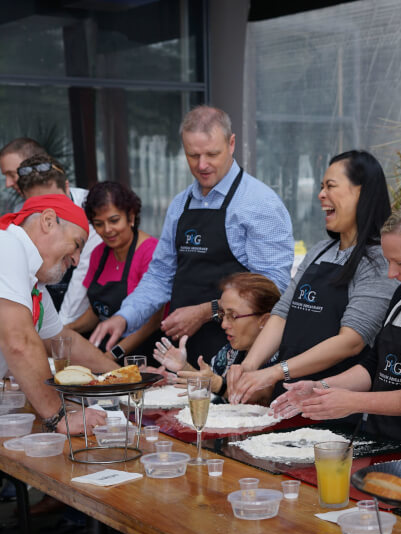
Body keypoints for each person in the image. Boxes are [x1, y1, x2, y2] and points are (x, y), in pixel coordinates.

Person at [89, 105, 294, 365]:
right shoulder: (180, 204)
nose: (202, 165)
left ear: (231, 144)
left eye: (212, 154)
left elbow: (274, 287)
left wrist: (206, 311)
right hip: (181, 352)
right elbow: (160, 275)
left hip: (236, 354)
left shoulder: (259, 203)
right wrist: (124, 317)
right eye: (192, 155)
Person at [271, 204, 401, 443]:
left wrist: (351, 402)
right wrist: (320, 387)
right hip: (381, 437)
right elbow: (373, 365)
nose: (391, 273)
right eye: (388, 261)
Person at [228, 150, 399, 409]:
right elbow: (282, 314)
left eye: (330, 186)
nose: (321, 195)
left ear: (362, 193)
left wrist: (275, 371)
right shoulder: (319, 251)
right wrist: (249, 366)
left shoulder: (378, 261)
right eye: (321, 187)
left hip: (332, 408)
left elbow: (350, 342)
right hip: (285, 401)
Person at [0, 194, 115, 433]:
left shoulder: (34, 284)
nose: (75, 259)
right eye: (77, 244)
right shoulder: (7, 245)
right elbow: (19, 342)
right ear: (49, 221)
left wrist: (126, 376)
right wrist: (59, 417)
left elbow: (63, 340)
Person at [64, 181, 162, 364]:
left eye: (114, 220)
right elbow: (97, 312)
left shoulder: (150, 252)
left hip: (142, 355)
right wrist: (66, 330)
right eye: (99, 224)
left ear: (131, 216)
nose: (107, 230)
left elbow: (152, 322)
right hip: (104, 352)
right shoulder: (98, 253)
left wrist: (111, 356)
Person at [153, 272, 280, 401]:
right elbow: (214, 387)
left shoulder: (285, 357)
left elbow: (263, 398)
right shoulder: (229, 353)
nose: (224, 324)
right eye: (222, 315)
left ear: (264, 320)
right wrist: (184, 368)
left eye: (233, 316)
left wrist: (216, 384)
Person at [10, 147, 103, 323]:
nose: (47, 215)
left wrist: (60, 327)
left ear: (66, 188)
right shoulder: (18, 225)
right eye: (37, 205)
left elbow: (83, 272)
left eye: (52, 200)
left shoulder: (93, 208)